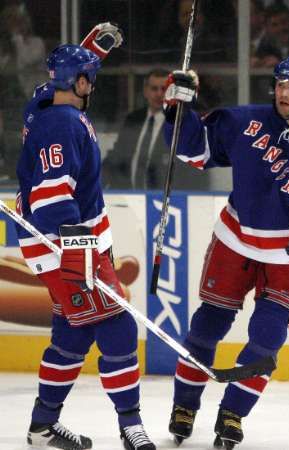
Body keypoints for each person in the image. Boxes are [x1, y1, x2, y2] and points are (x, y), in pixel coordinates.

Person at [162, 55, 289, 448]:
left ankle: (233, 413)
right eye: (280, 85)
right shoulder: (244, 122)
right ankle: (184, 405)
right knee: (208, 326)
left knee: (267, 336)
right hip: (236, 241)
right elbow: (194, 152)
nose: (284, 93)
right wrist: (179, 108)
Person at [15, 23, 156, 450]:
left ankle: (42, 426)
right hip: (67, 246)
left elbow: (56, 85)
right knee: (117, 327)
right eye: (88, 77)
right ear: (79, 83)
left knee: (73, 335)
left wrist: (90, 52)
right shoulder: (64, 125)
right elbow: (52, 195)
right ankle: (130, 426)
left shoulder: (42, 108)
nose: (92, 84)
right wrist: (79, 251)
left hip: (61, 244)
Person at [101, 68, 208, 190]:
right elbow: (117, 155)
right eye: (154, 89)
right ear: (145, 91)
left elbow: (194, 168)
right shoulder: (133, 119)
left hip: (165, 202)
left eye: (164, 89)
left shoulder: (180, 122)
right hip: (129, 200)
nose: (159, 94)